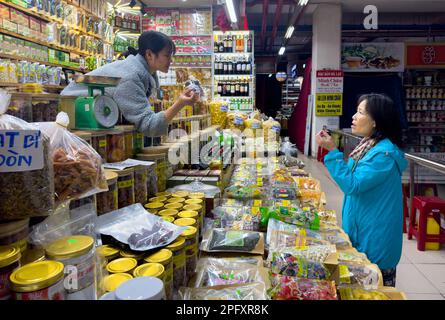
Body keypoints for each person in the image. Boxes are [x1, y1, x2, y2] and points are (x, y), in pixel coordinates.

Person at [316, 93, 407, 287]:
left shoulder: (383, 154)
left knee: (372, 291)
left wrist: (333, 152)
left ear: (375, 121)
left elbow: (353, 185)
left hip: (374, 239)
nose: (354, 117)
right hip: (362, 230)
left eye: (360, 112)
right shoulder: (368, 146)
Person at [61, 31, 199, 137]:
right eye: (167, 55)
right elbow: (149, 125)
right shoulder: (130, 77)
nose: (171, 60)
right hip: (73, 123)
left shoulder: (144, 73)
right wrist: (180, 103)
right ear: (149, 54)